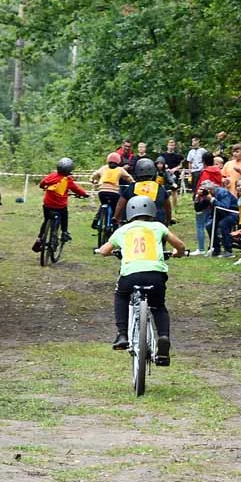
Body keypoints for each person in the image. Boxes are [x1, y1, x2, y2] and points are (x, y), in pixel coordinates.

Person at [96, 196, 185, 367]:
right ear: (152, 212)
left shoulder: (123, 230)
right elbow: (180, 245)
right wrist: (178, 252)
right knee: (158, 306)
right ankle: (164, 337)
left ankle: (122, 334)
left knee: (121, 295)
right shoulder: (158, 227)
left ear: (130, 213)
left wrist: (102, 251)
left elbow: (105, 250)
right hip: (155, 274)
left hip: (131, 274)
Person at [33, 157, 89, 251]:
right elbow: (77, 190)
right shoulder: (68, 180)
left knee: (46, 220)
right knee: (64, 216)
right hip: (60, 207)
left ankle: (39, 239)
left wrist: (45, 186)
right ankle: (64, 232)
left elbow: (42, 183)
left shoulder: (52, 175)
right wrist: (85, 194)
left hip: (48, 205)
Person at [113, 158, 172, 225]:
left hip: (134, 222)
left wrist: (116, 217)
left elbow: (120, 205)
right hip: (156, 222)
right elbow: (168, 208)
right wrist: (169, 219)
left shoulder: (132, 187)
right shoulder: (159, 188)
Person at [91, 153, 134, 229]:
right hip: (114, 192)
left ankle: (96, 219)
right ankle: (114, 223)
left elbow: (94, 175)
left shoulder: (103, 168)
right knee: (115, 208)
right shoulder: (120, 169)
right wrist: (133, 183)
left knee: (103, 204)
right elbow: (128, 178)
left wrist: (93, 180)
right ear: (118, 161)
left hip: (102, 191)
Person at [201, 180, 239, 258]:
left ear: (210, 189)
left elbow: (225, 207)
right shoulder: (208, 195)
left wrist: (212, 200)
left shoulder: (223, 192)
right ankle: (216, 248)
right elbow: (198, 209)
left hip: (232, 213)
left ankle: (228, 250)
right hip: (220, 214)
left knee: (223, 224)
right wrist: (198, 199)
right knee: (209, 225)